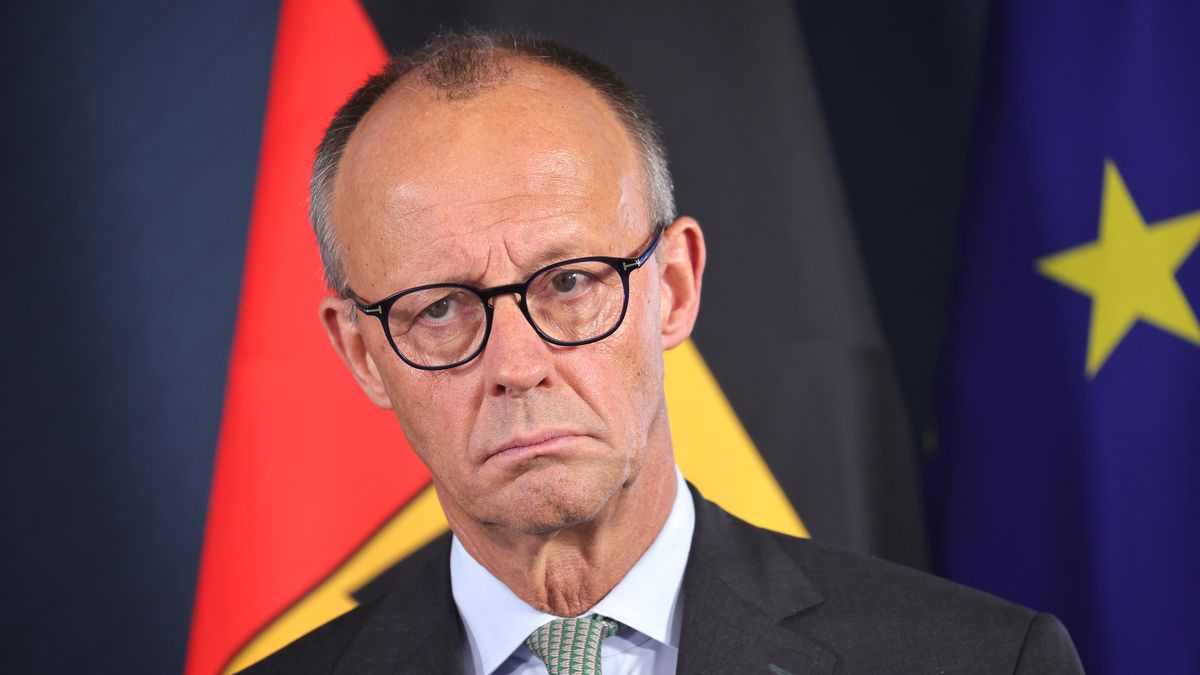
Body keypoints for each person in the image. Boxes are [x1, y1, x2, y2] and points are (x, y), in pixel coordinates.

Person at [246, 30, 1084, 674]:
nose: (516, 365)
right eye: (439, 309)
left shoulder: (976, 662)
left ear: (674, 286)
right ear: (361, 352)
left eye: (570, 283)